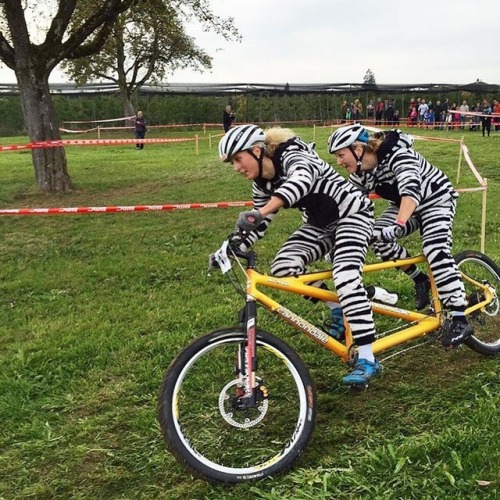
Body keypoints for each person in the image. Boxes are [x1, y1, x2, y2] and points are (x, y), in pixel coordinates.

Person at [218, 124, 381, 385]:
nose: (236, 167)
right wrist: (230, 247)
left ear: (257, 150)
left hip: (353, 215)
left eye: (238, 159)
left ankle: (367, 357)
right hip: (319, 224)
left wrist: (260, 212)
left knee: (346, 276)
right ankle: (337, 307)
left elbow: (299, 182)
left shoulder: (293, 153)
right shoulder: (262, 183)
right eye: (232, 163)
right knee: (283, 267)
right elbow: (259, 220)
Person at [327, 124, 474, 349]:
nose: (339, 162)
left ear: (358, 149)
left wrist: (399, 224)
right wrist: (338, 240)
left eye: (340, 155)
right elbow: (349, 206)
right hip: (403, 206)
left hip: (435, 200)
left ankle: (459, 317)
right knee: (374, 237)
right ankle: (420, 279)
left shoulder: (398, 155)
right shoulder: (360, 174)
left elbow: (411, 190)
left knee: (435, 250)